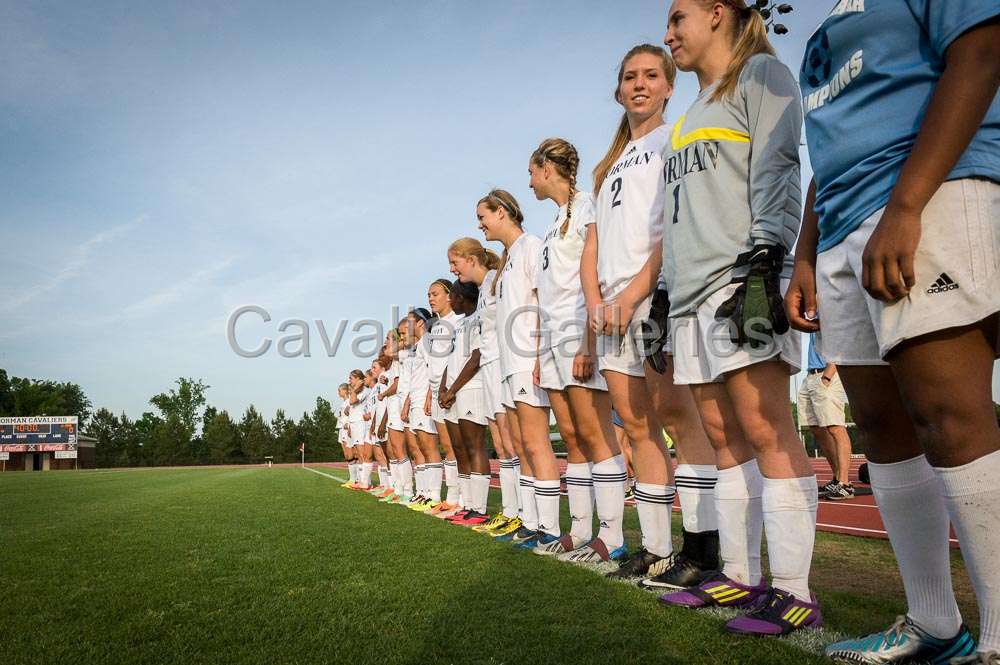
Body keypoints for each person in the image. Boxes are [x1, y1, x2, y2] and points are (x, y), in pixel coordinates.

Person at [786, 1, 1000, 661]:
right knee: (883, 427)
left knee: (949, 412)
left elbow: (982, 50)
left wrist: (907, 203)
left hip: (924, 193)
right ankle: (933, 620)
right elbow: (833, 141)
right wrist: (805, 251)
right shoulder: (830, 19)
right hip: (844, 219)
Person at [657, 0, 820, 637]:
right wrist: (667, 290)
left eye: (678, 18)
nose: (668, 33)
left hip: (742, 275)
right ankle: (738, 574)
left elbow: (780, 167)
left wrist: (767, 258)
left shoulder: (761, 76)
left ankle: (795, 590)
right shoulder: (688, 116)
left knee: (765, 426)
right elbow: (678, 214)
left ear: (718, 13)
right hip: (692, 292)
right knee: (723, 438)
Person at [585, 42, 716, 580]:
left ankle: (704, 550)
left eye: (651, 75)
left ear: (668, 85)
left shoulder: (675, 138)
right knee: (637, 427)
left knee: (679, 417)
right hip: (610, 308)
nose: (639, 84)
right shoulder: (608, 164)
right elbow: (594, 242)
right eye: (630, 77)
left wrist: (634, 294)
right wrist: (596, 301)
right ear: (618, 90)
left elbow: (673, 227)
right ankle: (658, 547)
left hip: (655, 296)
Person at [527, 137, 629, 561]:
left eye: (532, 172)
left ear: (547, 169)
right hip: (551, 338)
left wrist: (589, 338)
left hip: (578, 331)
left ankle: (612, 534)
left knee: (595, 432)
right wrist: (538, 351)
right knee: (571, 435)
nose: (530, 181)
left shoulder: (589, 204)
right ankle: (581, 529)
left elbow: (597, 275)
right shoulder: (552, 223)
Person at [477, 189, 560, 547]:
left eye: (483, 217)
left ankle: (551, 527)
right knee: (523, 444)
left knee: (536, 443)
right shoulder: (509, 258)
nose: (480, 225)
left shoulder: (530, 247)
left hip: (528, 358)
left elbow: (544, 302)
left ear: (502, 213)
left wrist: (542, 355)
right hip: (511, 364)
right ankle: (531, 520)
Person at [447, 237, 525, 537]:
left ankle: (523, 515)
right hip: (494, 367)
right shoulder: (482, 291)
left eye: (455, 262)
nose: (453, 269)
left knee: (514, 443)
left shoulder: (495, 279)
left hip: (502, 365)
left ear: (471, 258)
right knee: (503, 446)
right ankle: (511, 512)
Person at [439, 278, 492, 526]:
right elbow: (449, 361)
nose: (450, 300)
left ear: (462, 297)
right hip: (452, 392)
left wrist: (453, 390)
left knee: (474, 446)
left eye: (453, 295)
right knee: (459, 449)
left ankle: (479, 509)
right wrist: (443, 389)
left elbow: (476, 357)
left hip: (470, 388)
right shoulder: (459, 324)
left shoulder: (477, 319)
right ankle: (468, 505)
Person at [423, 278, 464, 514]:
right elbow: (433, 366)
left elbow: (455, 358)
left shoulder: (457, 320)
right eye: (428, 295)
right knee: (448, 446)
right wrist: (430, 393)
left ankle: (462, 498)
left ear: (449, 296)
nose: (430, 298)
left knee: (459, 445)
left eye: (435, 294)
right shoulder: (434, 327)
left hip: (452, 390)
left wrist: (449, 388)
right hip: (437, 390)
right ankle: (452, 497)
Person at [796, 335, 853, 500]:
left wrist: (828, 375)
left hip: (827, 375)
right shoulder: (813, 315)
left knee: (835, 427)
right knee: (816, 428)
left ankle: (845, 483)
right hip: (810, 376)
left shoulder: (829, 310)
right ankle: (837, 478)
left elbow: (841, 339)